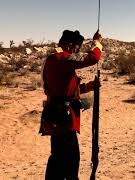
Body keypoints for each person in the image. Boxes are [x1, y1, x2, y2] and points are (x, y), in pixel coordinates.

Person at [39, 30, 102, 180]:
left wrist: (89, 86)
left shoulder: (56, 59)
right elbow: (92, 58)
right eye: (77, 48)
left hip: (59, 117)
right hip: (62, 120)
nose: (77, 51)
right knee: (68, 161)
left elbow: (66, 91)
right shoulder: (60, 58)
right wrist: (97, 43)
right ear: (70, 45)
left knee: (60, 158)